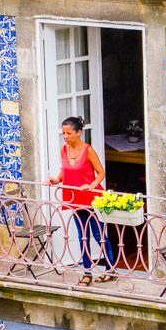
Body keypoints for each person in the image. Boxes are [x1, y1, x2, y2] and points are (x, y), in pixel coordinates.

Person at [47, 116, 115, 284]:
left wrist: (92, 185)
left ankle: (110, 269)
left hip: (92, 198)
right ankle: (87, 272)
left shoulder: (88, 150)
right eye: (63, 133)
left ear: (78, 132)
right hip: (75, 198)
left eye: (69, 133)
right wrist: (57, 179)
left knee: (99, 235)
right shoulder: (64, 150)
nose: (66, 136)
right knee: (82, 236)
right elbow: (66, 170)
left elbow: (101, 172)